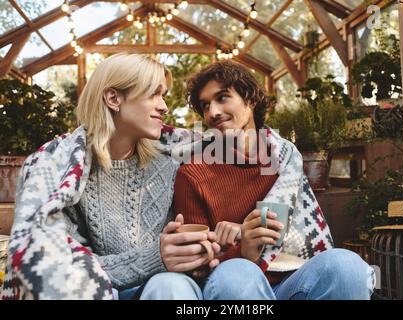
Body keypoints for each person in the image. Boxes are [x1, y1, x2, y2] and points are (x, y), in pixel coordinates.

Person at [1, 53, 219, 300]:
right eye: (153, 94)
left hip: (167, 289)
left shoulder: (172, 157)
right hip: (104, 291)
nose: (164, 106)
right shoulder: (61, 168)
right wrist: (154, 258)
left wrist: (197, 256)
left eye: (164, 95)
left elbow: (250, 144)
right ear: (113, 98)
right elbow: (60, 268)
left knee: (169, 286)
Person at [157, 60, 375, 300]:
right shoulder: (193, 173)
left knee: (347, 265)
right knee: (237, 274)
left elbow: (300, 233)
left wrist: (244, 234)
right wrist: (244, 250)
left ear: (250, 99)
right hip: (233, 285)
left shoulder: (285, 158)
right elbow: (195, 266)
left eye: (222, 98)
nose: (213, 112)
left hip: (294, 279)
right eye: (205, 105)